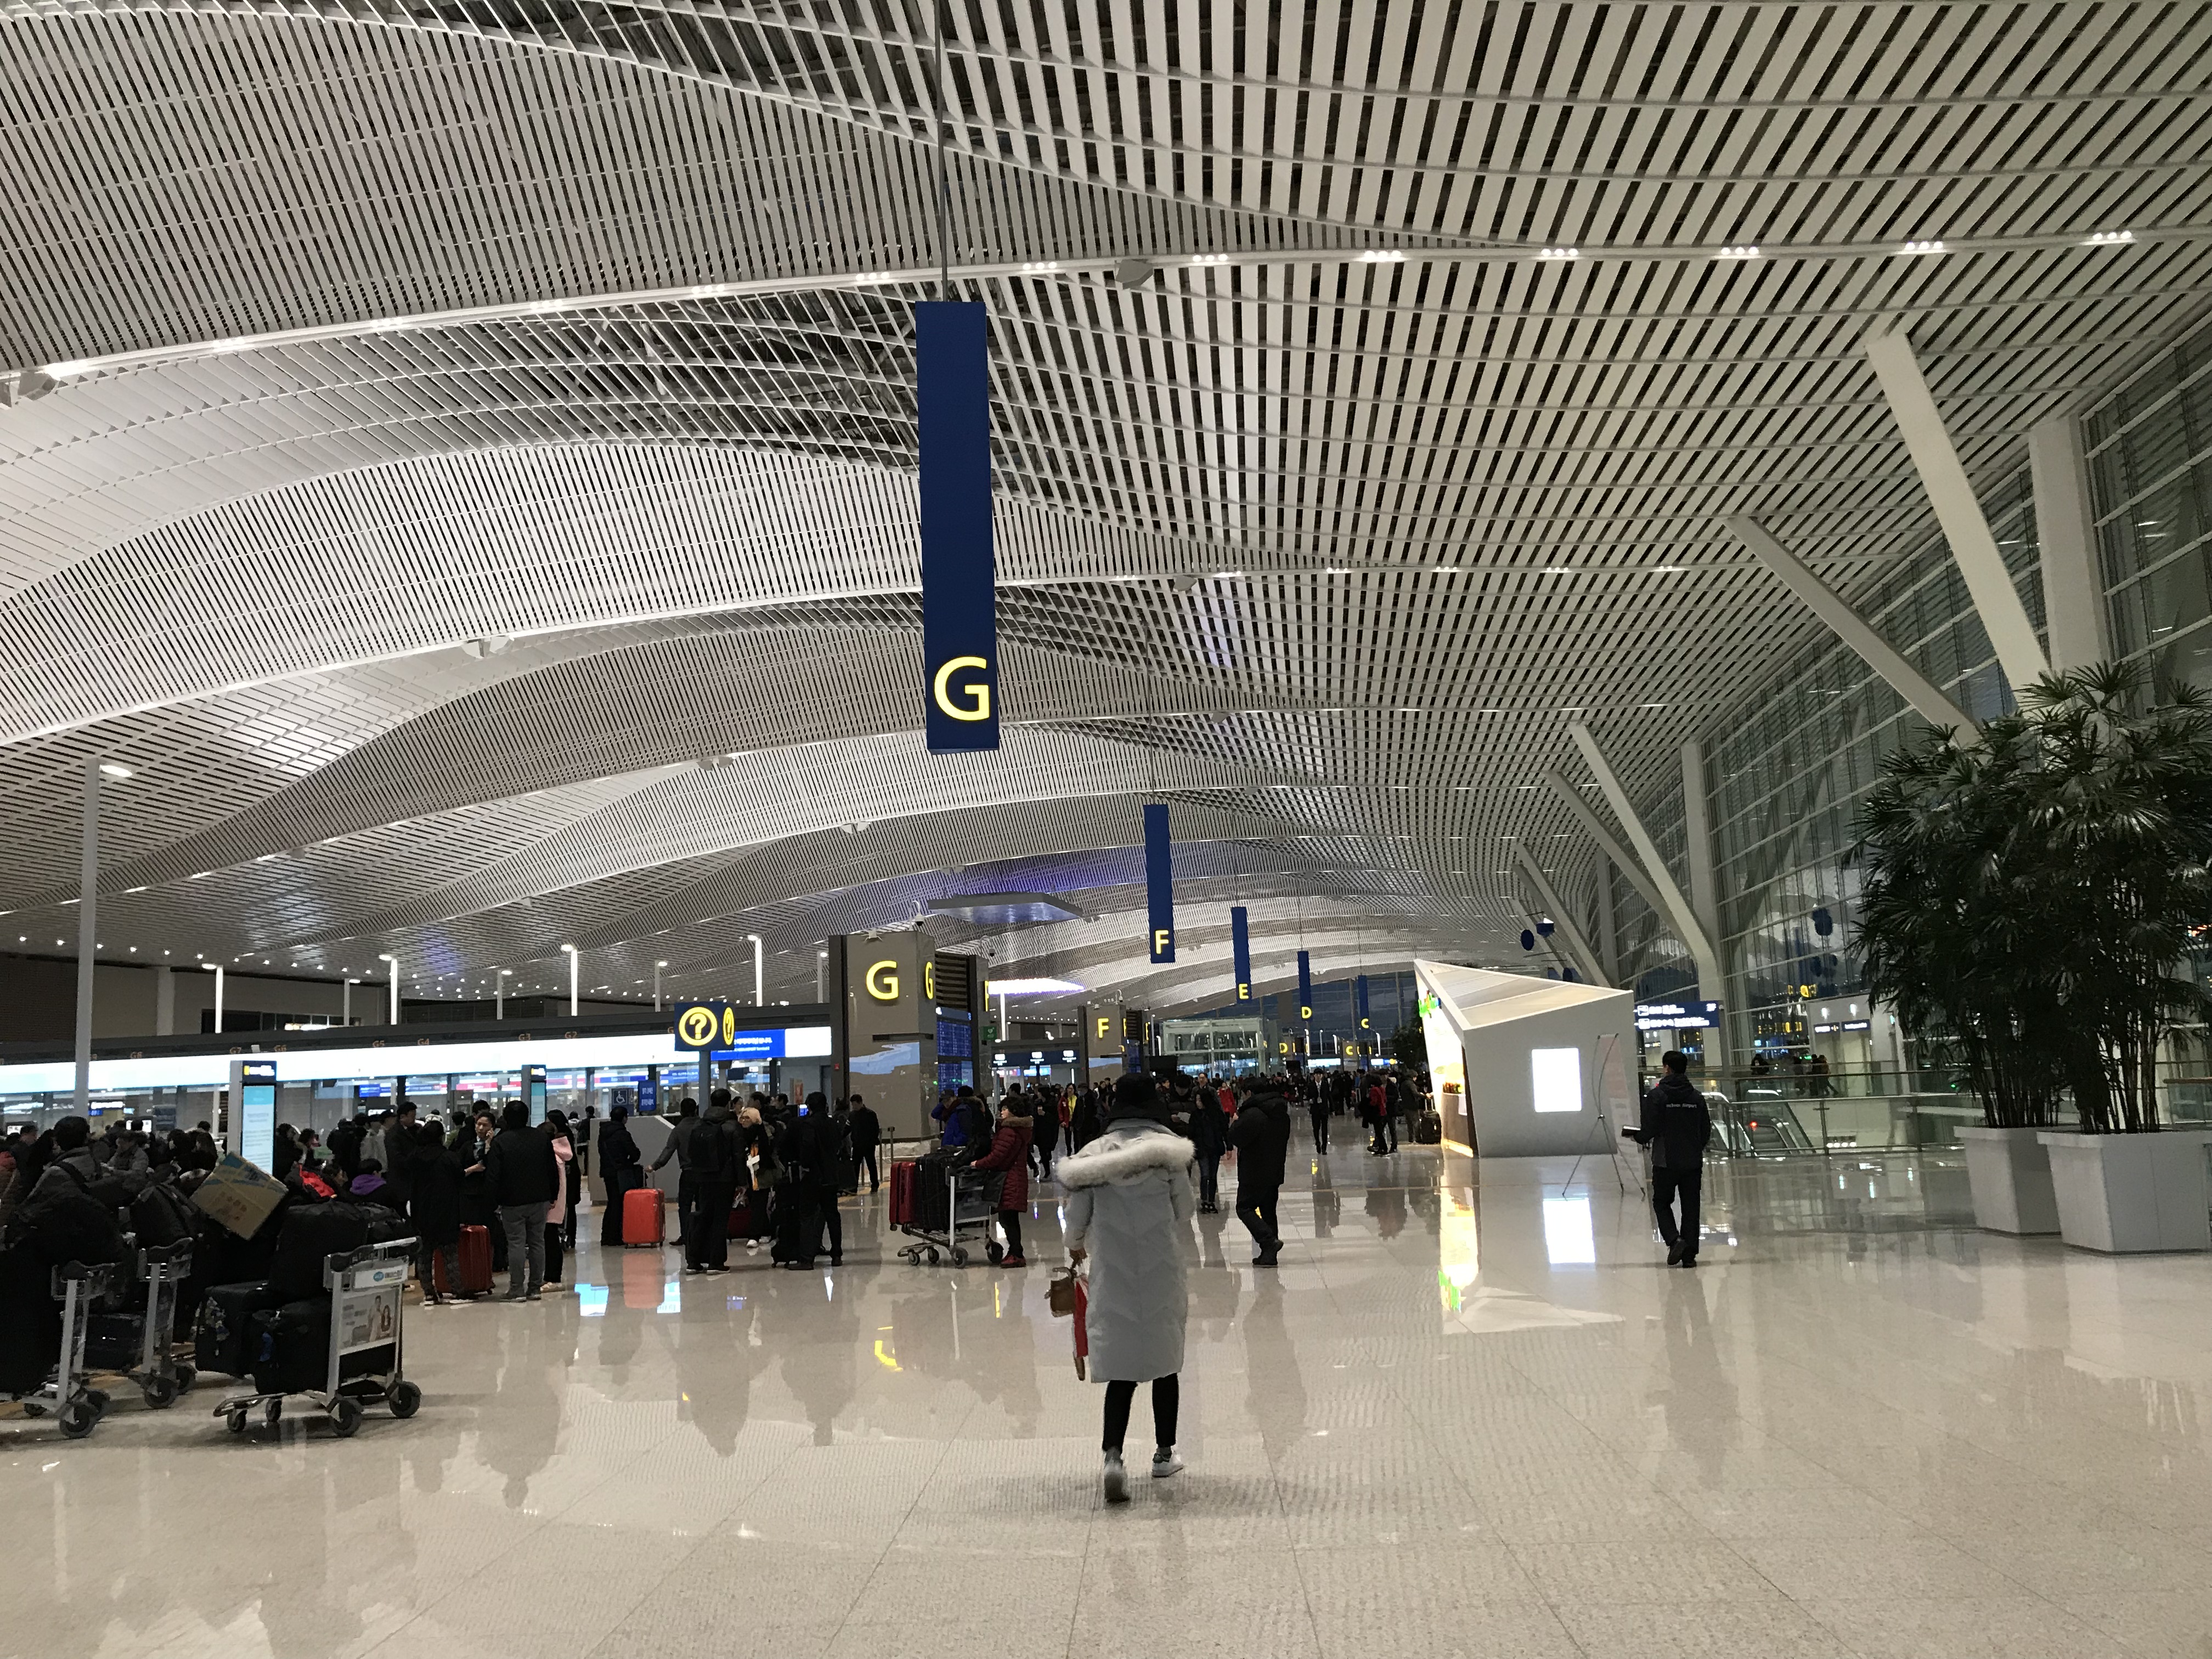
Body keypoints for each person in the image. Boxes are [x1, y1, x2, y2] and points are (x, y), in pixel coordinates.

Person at [1060, 1073, 1197, 1503]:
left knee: (1121, 1369)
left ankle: (1113, 1457)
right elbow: (1186, 1210)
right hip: (1161, 1268)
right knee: (1165, 1362)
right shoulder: (1170, 1154)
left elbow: (1075, 1223)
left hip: (1112, 1270)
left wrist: (1076, 1244)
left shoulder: (1092, 1157)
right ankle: (1163, 1454)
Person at [1624, 1051, 1713, 1266]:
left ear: (1667, 1068)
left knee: (1661, 1202)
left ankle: (1674, 1241)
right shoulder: (1696, 1098)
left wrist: (1637, 1137)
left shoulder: (1657, 1096)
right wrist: (1695, 1148)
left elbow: (1649, 1129)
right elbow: (1705, 1130)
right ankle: (1689, 1255)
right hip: (1692, 1162)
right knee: (1691, 1206)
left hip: (1665, 1161)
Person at [476, 1102, 558, 1300]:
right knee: (538, 1242)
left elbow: (494, 1175)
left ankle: (516, 1289)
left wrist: (491, 1200)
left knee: (516, 1244)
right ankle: (535, 1288)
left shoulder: (501, 1142)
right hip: (540, 1198)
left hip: (512, 1201)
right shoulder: (541, 1138)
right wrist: (553, 1194)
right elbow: (552, 1168)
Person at [1227, 1075, 1290, 1267]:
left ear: (1249, 1093)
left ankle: (1268, 1242)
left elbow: (1236, 1137)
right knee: (1268, 1211)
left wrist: (1235, 1122)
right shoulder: (1280, 1112)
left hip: (1254, 1170)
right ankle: (1269, 1255)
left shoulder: (1253, 1114)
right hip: (1275, 1168)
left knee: (1244, 1208)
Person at [966, 1099, 1033, 1267]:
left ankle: (1017, 1254)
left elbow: (998, 1156)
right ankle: (1015, 1252)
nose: (1002, 1112)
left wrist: (978, 1163)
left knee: (1008, 1219)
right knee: (1009, 1218)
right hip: (1015, 1176)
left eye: (1005, 1109)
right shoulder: (1020, 1129)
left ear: (1012, 1111)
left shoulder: (1009, 1131)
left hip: (1009, 1179)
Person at [409, 1119, 469, 1304]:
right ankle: (457, 1290)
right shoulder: (448, 1157)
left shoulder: (415, 1157)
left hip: (421, 1209)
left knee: (425, 1253)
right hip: (446, 1209)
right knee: (450, 1252)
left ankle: (429, 1292)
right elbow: (460, 1178)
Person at [684, 1091, 740, 1274]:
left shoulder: (700, 1124)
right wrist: (743, 1182)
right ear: (728, 1104)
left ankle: (693, 1262)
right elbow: (738, 1156)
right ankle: (716, 1263)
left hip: (703, 1177)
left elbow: (691, 1152)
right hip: (725, 1179)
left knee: (703, 1217)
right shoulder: (731, 1125)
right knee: (720, 1220)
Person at [651, 1097, 702, 1248]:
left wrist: (655, 1166)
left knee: (685, 1206)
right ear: (696, 1110)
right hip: (705, 1173)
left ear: (681, 1111)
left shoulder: (679, 1130)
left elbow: (669, 1150)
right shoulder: (703, 1125)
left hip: (688, 1173)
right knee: (702, 1205)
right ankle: (702, 1234)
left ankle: (686, 1236)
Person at [597, 1104, 644, 1246]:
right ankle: (615, 1236)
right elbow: (635, 1154)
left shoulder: (603, 1133)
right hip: (621, 1172)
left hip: (607, 1172)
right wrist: (627, 1161)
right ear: (624, 1118)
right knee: (618, 1203)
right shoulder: (622, 1134)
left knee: (612, 1203)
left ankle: (606, 1236)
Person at [543, 1111, 576, 1288]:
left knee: (550, 1241)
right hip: (556, 1204)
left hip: (551, 1205)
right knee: (551, 1239)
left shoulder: (552, 1157)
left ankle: (552, 1278)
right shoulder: (560, 1154)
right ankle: (551, 1276)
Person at [1188, 1081, 1227, 1214]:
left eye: (1200, 1100)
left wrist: (1229, 1145)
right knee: (1205, 1175)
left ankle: (1211, 1201)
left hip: (1214, 1148)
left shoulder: (1216, 1114)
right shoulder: (1196, 1115)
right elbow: (1191, 1133)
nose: (1197, 1103)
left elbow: (1224, 1130)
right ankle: (1205, 1201)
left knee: (1212, 1176)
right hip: (1202, 1149)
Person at [847, 1093, 881, 1193]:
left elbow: (875, 1129)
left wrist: (873, 1140)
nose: (854, 1107)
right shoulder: (852, 1115)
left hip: (868, 1145)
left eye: (855, 1105)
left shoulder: (871, 1114)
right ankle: (854, 1186)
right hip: (857, 1144)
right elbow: (847, 1128)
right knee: (855, 1166)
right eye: (853, 1105)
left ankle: (875, 1184)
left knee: (871, 1165)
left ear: (861, 1103)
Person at [1307, 1080, 1331, 1153]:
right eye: (1317, 1075)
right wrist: (1310, 1100)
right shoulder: (1311, 1085)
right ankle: (1317, 1142)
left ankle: (1324, 1147)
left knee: (1325, 1129)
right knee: (1316, 1128)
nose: (1318, 1076)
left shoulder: (1325, 1085)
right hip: (1315, 1109)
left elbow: (1329, 1096)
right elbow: (1308, 1095)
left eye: (1320, 1075)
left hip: (1324, 1109)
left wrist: (1332, 1109)